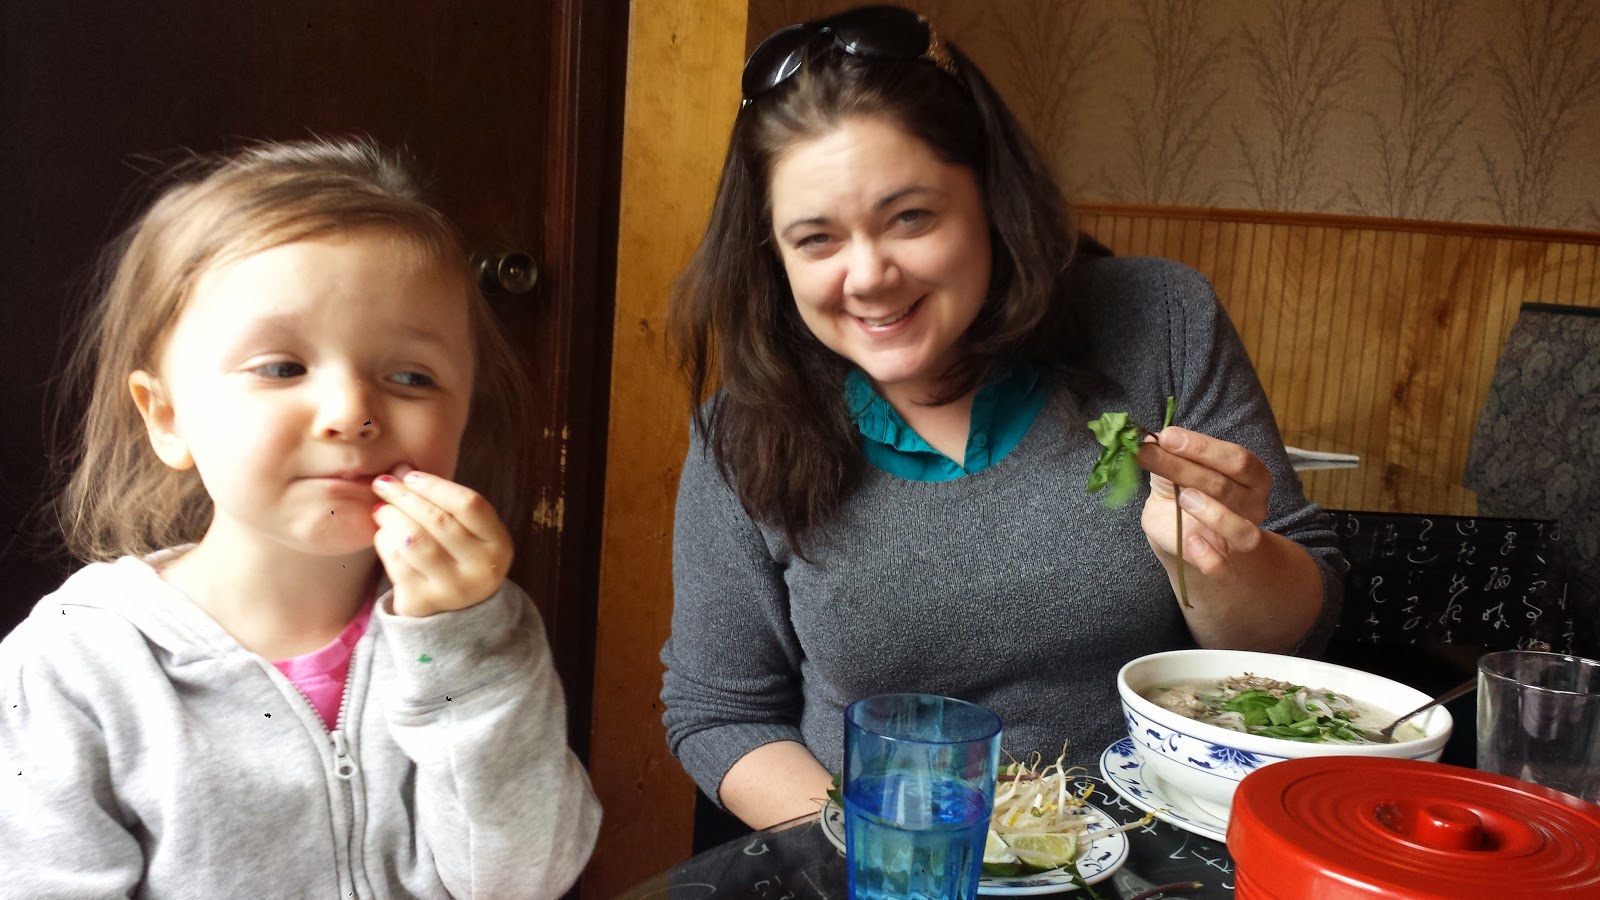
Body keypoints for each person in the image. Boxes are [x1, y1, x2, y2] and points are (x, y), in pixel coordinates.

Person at [659, 4, 1346, 830]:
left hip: (1153, 847)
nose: (868, 276)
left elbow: (1291, 639)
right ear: (773, 255)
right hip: (881, 862)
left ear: (989, 196)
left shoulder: (1161, 321)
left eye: (910, 217)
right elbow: (720, 711)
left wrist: (1223, 563)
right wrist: (899, 849)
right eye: (816, 239)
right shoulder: (741, 433)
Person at [0, 138, 600, 896]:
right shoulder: (75, 665)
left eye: (411, 376)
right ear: (166, 416)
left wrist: (460, 646)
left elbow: (524, 880)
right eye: (282, 368)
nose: (351, 413)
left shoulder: (479, 633)